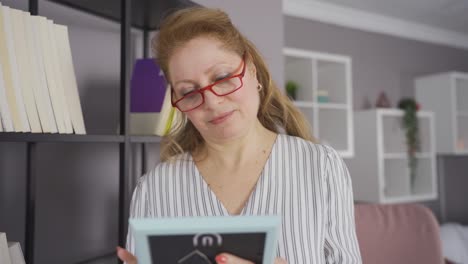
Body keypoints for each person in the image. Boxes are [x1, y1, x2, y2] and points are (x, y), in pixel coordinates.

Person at [117, 6, 362, 264]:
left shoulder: (321, 167)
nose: (211, 102)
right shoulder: (154, 189)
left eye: (222, 77)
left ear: (252, 71)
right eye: (189, 91)